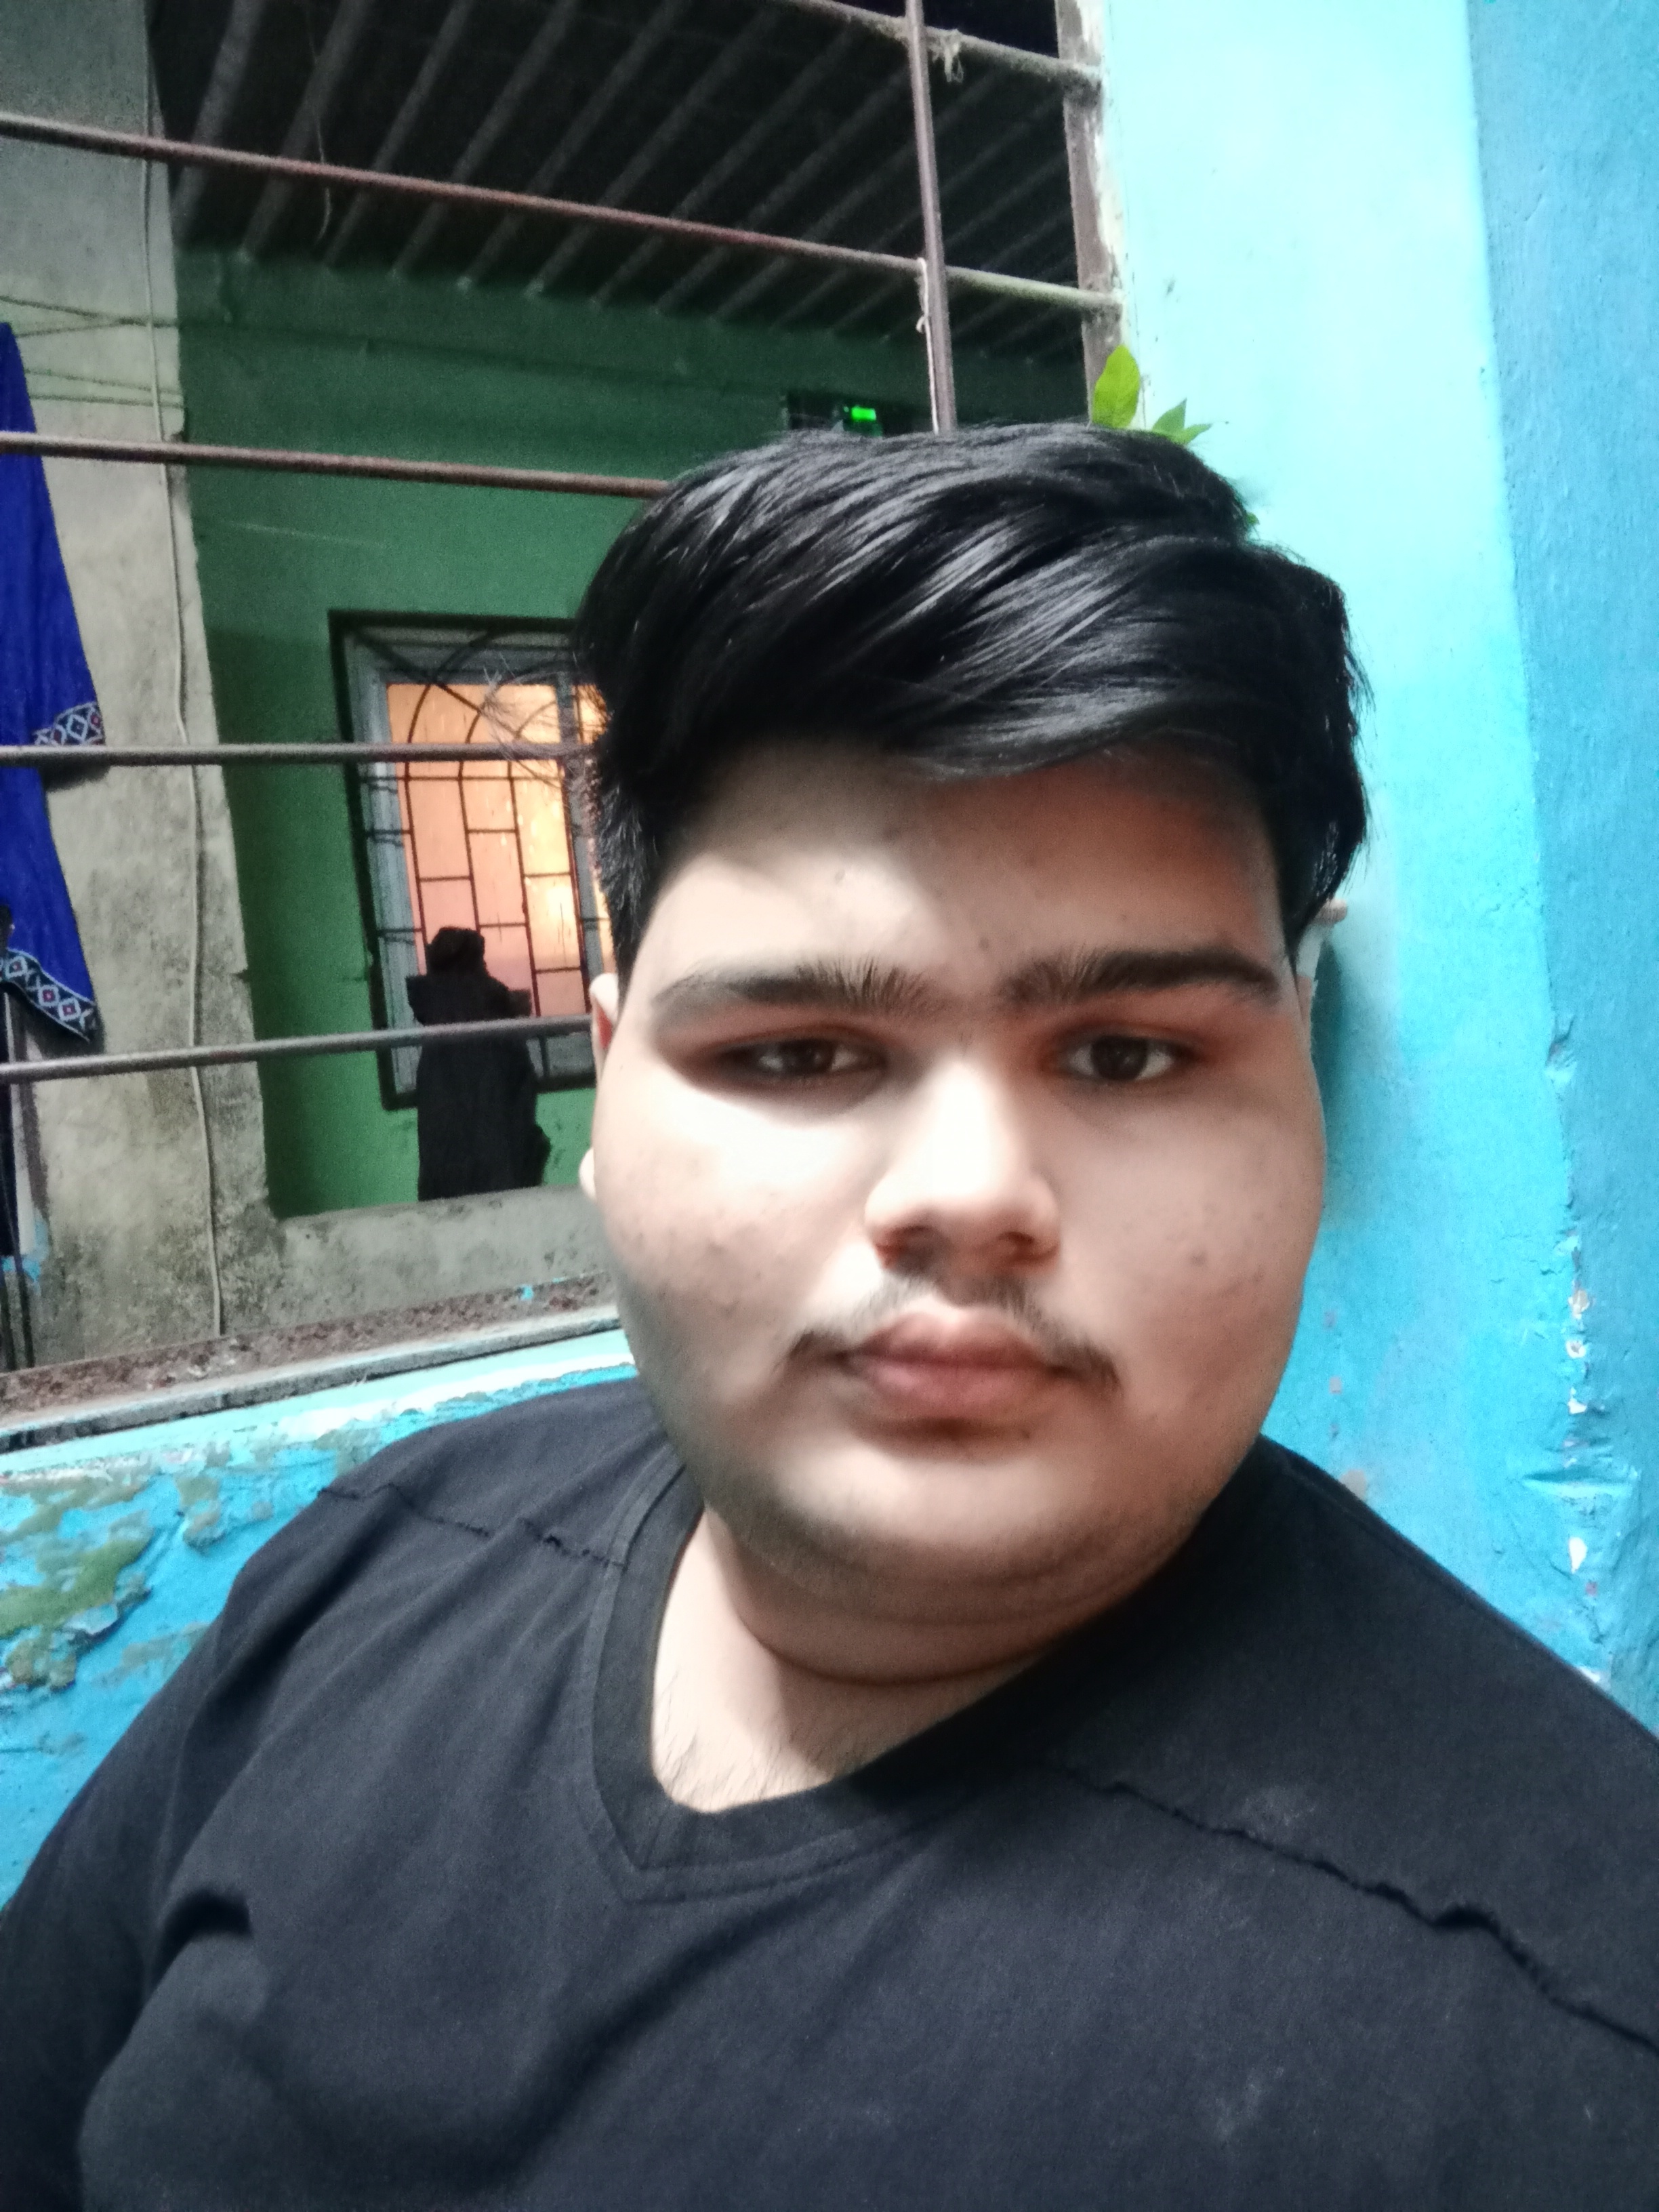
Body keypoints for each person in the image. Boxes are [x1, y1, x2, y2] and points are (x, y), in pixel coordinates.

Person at [3, 425, 1657, 2209]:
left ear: (1303, 1100)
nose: (968, 1193)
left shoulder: (1569, 2039)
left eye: (1127, 1054)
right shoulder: (368, 1573)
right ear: (611, 1083)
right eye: (797, 1053)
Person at [406, 924, 550, 1201]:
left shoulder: (437, 1027)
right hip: (504, 1183)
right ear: (477, 962)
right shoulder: (493, 1020)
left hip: (444, 1190)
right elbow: (520, 1096)